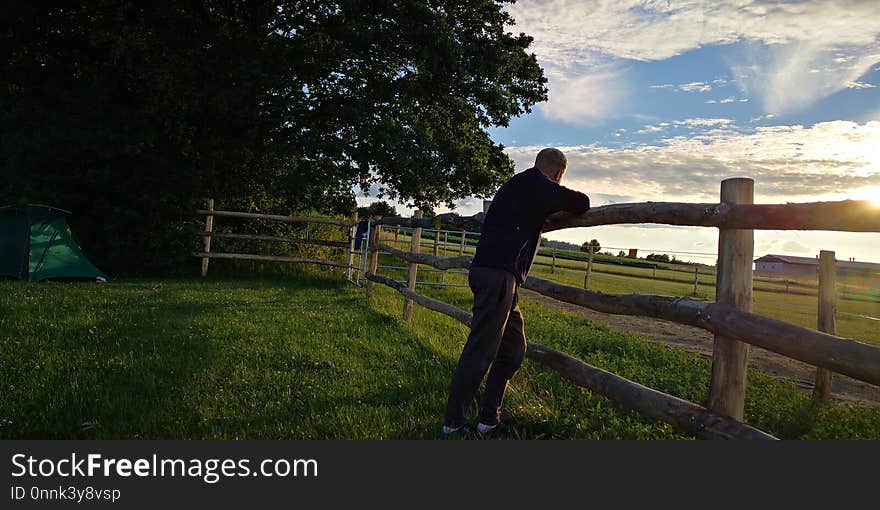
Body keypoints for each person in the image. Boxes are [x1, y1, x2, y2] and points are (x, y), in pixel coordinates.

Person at [442, 148, 591, 437]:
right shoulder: (536, 185)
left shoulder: (519, 185)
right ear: (559, 174)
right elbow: (581, 202)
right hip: (498, 275)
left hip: (498, 275)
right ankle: (454, 425)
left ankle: (489, 421)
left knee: (512, 349)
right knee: (481, 351)